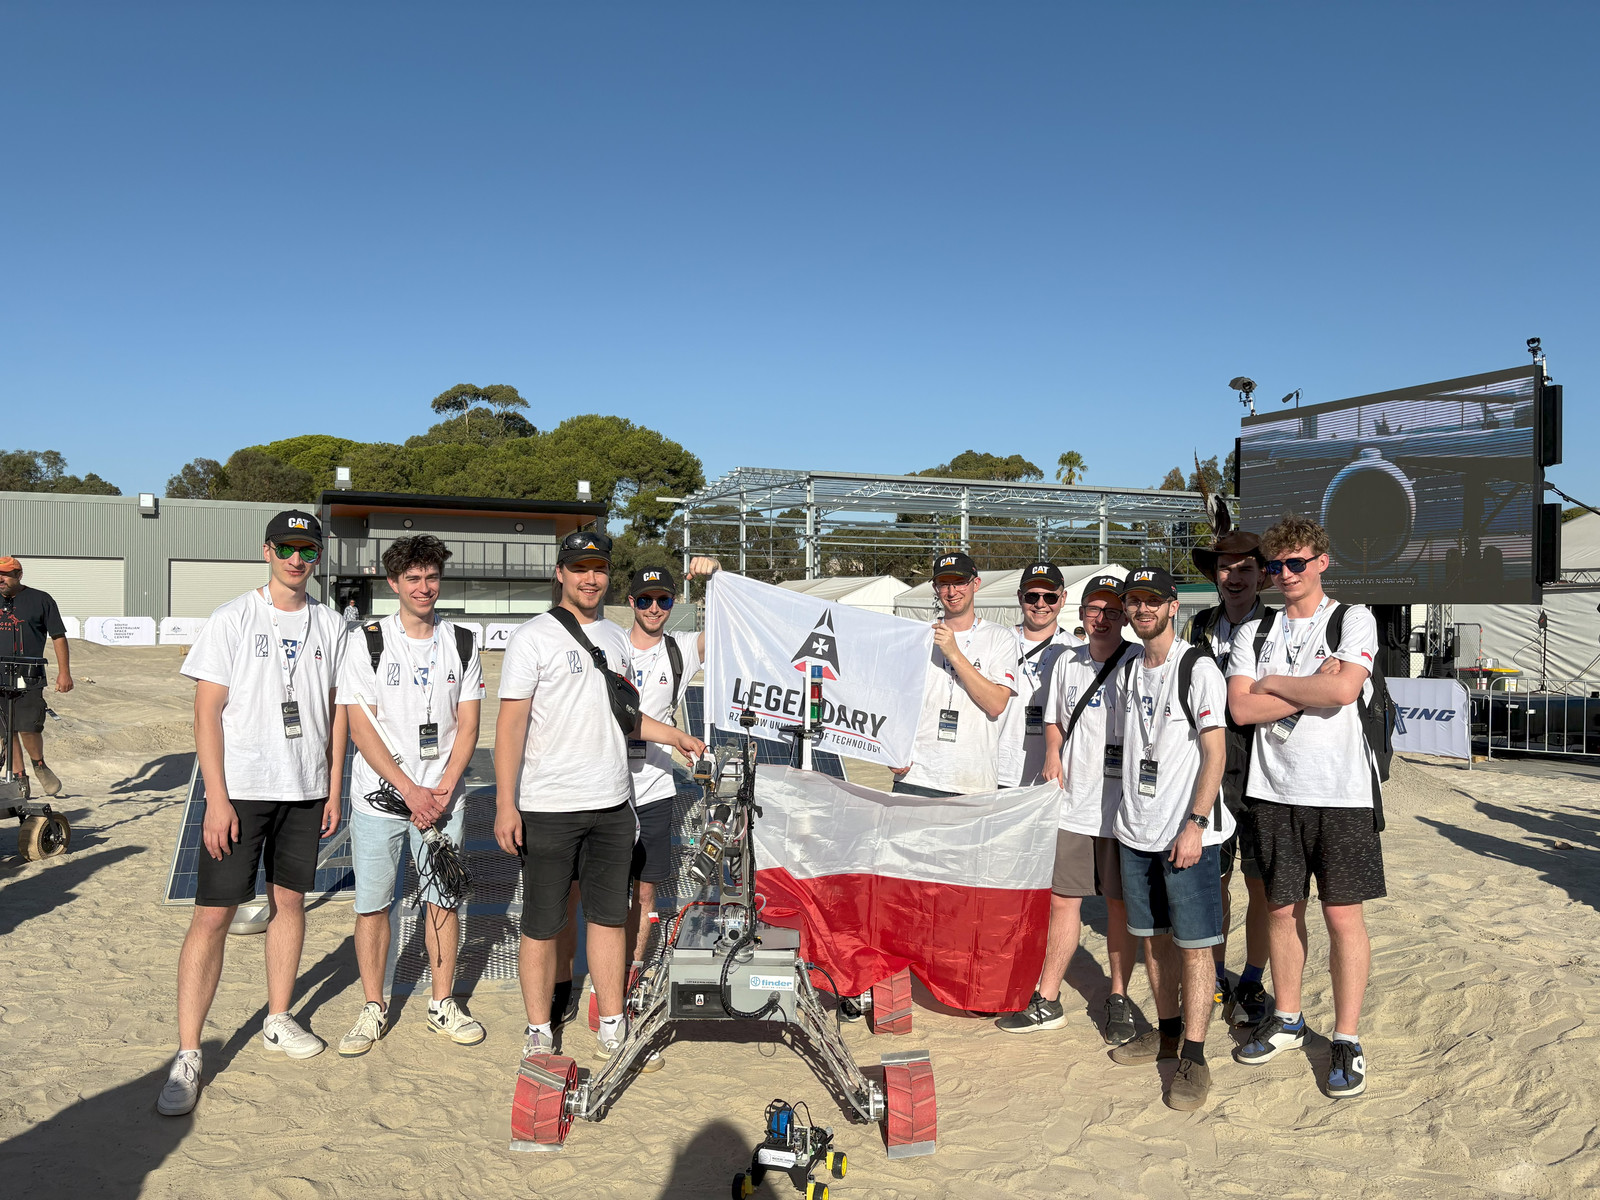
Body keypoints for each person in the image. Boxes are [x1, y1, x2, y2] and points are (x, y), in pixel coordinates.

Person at [159, 510, 346, 1117]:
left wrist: (334, 787)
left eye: (308, 550)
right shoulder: (233, 618)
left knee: (289, 903)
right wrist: (215, 798)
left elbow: (338, 712)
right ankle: (189, 1053)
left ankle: (278, 1016)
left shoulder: (331, 624)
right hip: (239, 790)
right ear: (267, 551)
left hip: (306, 789)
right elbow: (206, 713)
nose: (297, 559)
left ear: (318, 557)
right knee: (212, 916)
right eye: (287, 547)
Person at [494, 529, 705, 1065]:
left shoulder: (616, 638)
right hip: (548, 806)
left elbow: (627, 718)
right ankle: (539, 1029)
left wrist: (675, 736)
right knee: (543, 924)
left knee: (610, 919)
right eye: (580, 568)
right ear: (560, 574)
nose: (590, 578)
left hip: (614, 804)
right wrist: (505, 803)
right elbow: (510, 727)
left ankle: (612, 1022)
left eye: (599, 568)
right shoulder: (532, 637)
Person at [1226, 515, 1384, 1099]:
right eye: (1275, 565)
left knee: (1343, 918)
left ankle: (1346, 1037)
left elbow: (1342, 691)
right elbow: (1241, 710)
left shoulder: (1352, 618)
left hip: (1342, 794)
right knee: (1281, 912)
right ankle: (1288, 1018)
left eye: (1296, 562)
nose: (1285, 574)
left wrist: (1272, 683)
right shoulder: (1255, 630)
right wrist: (1304, 684)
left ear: (1321, 561)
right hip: (1272, 791)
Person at [335, 535, 487, 1057]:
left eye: (431, 577)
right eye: (413, 578)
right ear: (394, 583)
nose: (424, 588)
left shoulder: (463, 641)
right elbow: (360, 728)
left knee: (442, 901)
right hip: (380, 799)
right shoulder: (367, 641)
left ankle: (442, 1003)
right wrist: (410, 790)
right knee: (373, 905)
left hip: (443, 800)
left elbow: (469, 726)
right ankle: (373, 1006)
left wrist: (441, 789)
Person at [1106, 567, 1230, 1112]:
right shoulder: (1129, 667)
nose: (1142, 608)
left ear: (1173, 606)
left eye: (1152, 600)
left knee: (1195, 946)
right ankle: (1167, 1034)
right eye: (1134, 600)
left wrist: (1196, 824)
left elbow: (1216, 752)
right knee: (1154, 939)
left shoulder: (1197, 667)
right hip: (1137, 828)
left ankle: (1195, 1058)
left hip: (1187, 833)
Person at [1000, 574, 1139, 1043]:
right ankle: (1049, 997)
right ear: (1080, 613)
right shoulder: (1068, 661)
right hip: (1075, 803)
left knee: (1118, 904)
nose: (1103, 618)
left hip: (1123, 807)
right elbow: (1055, 719)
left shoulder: (1139, 662)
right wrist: (1054, 754)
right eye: (1095, 609)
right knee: (1064, 902)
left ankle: (1118, 996)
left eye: (1113, 610)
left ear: (1125, 616)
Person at [618, 558, 717, 1070]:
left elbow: (727, 627)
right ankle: (594, 984)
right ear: (630, 601)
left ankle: (632, 979)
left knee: (645, 893)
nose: (654, 608)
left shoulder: (678, 650)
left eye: (663, 600)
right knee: (600, 893)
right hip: (607, 788)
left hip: (655, 788)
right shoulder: (609, 645)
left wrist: (715, 577)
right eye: (645, 599)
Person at [1184, 528, 1276, 1029]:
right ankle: (1216, 973)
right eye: (1225, 567)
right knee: (1212, 881)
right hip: (1211, 769)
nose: (1234, 577)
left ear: (1262, 575)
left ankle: (1253, 979)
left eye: (1245, 568)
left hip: (1265, 770)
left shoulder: (1279, 627)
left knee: (1262, 886)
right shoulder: (1198, 626)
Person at [891, 552, 1019, 798]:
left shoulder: (1000, 637)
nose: (952, 592)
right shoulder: (919, 636)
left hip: (973, 781)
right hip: (917, 776)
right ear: (935, 588)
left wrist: (954, 653)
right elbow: (897, 702)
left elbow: (996, 704)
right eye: (944, 584)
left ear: (975, 584)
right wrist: (893, 749)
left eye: (959, 582)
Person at [996, 562, 1082, 789]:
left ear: (1063, 599)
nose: (1041, 604)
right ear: (1020, 597)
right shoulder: (998, 642)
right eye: (1032, 596)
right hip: (996, 772)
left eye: (1050, 597)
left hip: (1050, 777)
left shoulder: (1076, 652)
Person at [0, 556, 73, 797]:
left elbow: (58, 636)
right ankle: (20, 777)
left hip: (29, 675)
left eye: (5, 574)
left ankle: (39, 764)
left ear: (19, 575)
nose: (0, 579)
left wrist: (64, 673)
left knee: (28, 726)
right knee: (5, 729)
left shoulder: (41, 600)